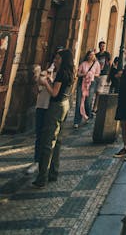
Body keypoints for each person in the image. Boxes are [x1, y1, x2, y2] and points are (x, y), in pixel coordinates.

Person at [32, 49, 74, 188]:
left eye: (57, 58)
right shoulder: (69, 72)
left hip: (56, 107)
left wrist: (45, 84)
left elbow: (54, 93)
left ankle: (42, 177)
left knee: (48, 141)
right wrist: (51, 81)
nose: (55, 60)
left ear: (63, 59)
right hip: (65, 104)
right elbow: (61, 89)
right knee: (58, 140)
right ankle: (53, 172)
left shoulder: (61, 73)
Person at [73, 49, 100, 129]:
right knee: (79, 101)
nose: (91, 56)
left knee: (88, 101)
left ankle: (88, 116)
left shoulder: (96, 64)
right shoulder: (83, 64)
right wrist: (84, 74)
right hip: (82, 83)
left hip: (91, 83)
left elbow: (98, 74)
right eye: (90, 55)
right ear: (87, 56)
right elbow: (77, 73)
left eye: (93, 55)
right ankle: (77, 121)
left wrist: (91, 75)